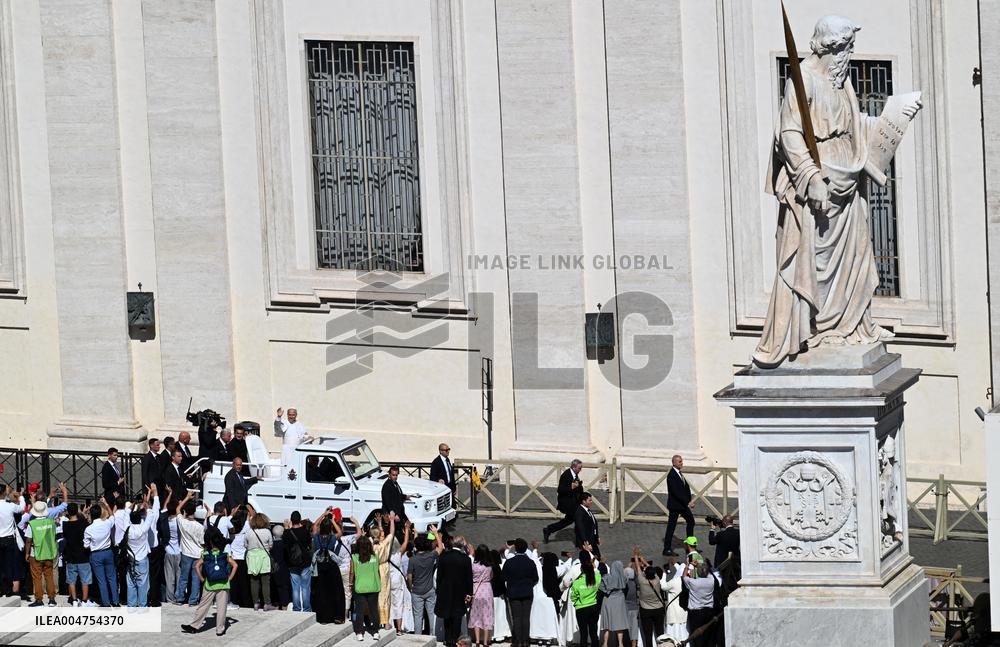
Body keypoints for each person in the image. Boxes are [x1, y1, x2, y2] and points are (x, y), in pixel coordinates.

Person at [181, 531, 237, 636]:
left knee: (203, 605)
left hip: (209, 584)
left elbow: (196, 566)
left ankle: (194, 626)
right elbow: (235, 565)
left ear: (210, 543)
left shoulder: (206, 554)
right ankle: (220, 629)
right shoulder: (225, 555)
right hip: (223, 584)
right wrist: (229, 578)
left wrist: (202, 578)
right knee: (221, 607)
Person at [124, 484, 160, 607]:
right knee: (143, 584)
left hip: (131, 559)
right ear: (140, 519)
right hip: (142, 559)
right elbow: (151, 515)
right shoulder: (143, 529)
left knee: (131, 584)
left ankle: (131, 606)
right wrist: (147, 504)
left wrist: (134, 504)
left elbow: (126, 514)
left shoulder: (127, 529)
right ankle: (143, 606)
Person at [435, 535, 474, 647]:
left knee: (447, 616)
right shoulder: (465, 559)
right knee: (457, 616)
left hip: (445, 590)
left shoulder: (444, 557)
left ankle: (448, 639)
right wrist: (469, 593)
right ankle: (455, 639)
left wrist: (439, 590)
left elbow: (439, 576)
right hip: (459, 591)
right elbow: (468, 578)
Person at [501, 538, 538, 647]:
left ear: (515, 548)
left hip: (513, 592)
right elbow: (535, 578)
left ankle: (517, 641)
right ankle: (526, 641)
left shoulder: (509, 562)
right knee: (526, 617)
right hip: (527, 592)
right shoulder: (530, 562)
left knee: (516, 617)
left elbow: (503, 577)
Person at [310, 510, 345, 623]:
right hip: (331, 565)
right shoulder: (332, 538)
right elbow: (340, 532)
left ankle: (323, 617)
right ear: (330, 527)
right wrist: (332, 520)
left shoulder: (316, 537)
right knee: (335, 591)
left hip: (320, 565)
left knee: (321, 591)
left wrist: (323, 515)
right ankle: (336, 616)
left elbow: (314, 525)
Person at [24, 499, 59, 607]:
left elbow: (29, 540)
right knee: (49, 576)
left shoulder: (32, 524)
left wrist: (27, 553)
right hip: (49, 552)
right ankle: (52, 599)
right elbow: (54, 535)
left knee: (37, 577)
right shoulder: (51, 522)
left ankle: (39, 600)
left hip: (36, 554)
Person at [409, 526, 443, 634]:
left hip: (416, 590)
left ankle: (418, 637)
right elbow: (440, 548)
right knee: (431, 614)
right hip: (429, 589)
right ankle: (433, 635)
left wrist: (411, 587)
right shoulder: (431, 556)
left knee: (418, 616)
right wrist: (436, 533)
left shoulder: (413, 559)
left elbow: (409, 575)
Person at [84, 499, 117, 606]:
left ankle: (106, 603)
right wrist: (107, 504)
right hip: (108, 552)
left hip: (96, 554)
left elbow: (86, 545)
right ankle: (115, 601)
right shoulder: (107, 523)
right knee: (112, 578)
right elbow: (112, 516)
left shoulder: (89, 529)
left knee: (101, 580)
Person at [175, 492, 205, 606]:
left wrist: (186, 497)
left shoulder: (182, 522)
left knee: (183, 577)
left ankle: (180, 598)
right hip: (198, 554)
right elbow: (202, 543)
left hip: (186, 553)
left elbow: (177, 508)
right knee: (196, 579)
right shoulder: (200, 527)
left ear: (185, 512)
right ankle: (193, 600)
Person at [543, 459, 583, 543]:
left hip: (574, 503)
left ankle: (548, 529)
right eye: (579, 468)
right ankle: (579, 541)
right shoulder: (566, 475)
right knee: (578, 520)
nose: (580, 470)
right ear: (574, 467)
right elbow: (560, 490)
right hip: (568, 504)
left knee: (568, 521)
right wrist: (571, 487)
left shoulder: (575, 475)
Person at [61, 502, 92, 607]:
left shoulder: (65, 525)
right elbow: (83, 518)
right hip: (83, 555)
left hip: (70, 555)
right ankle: (84, 600)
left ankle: (74, 600)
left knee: (71, 580)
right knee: (85, 580)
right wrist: (80, 511)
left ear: (67, 512)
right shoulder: (83, 524)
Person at [663, 455, 694, 556]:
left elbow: (685, 488)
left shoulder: (679, 473)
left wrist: (689, 500)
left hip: (682, 505)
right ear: (674, 463)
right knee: (671, 527)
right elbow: (677, 492)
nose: (682, 463)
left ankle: (690, 547)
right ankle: (667, 549)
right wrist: (688, 502)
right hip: (676, 505)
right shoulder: (672, 475)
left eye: (682, 461)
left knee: (691, 521)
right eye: (680, 462)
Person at [681, 561, 717, 647]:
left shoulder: (693, 583)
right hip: (709, 611)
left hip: (696, 613)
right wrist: (699, 566)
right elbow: (709, 573)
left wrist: (688, 566)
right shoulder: (711, 581)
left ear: (698, 573)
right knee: (709, 635)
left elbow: (683, 576)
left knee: (696, 637)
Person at [245, 510, 276, 611]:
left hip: (252, 557)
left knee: (254, 581)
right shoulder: (267, 532)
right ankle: (267, 603)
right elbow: (271, 545)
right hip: (264, 556)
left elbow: (245, 545)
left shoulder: (249, 532)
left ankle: (255, 603)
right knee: (265, 582)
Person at [283, 511, 312, 612]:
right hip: (305, 562)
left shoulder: (286, 533)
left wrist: (286, 528)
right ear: (300, 520)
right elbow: (309, 544)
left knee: (295, 587)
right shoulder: (305, 531)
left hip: (292, 563)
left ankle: (296, 608)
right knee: (305, 587)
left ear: (291, 520)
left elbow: (284, 545)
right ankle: (306, 608)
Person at [0, 485, 25, 599]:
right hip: (9, 539)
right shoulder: (9, 506)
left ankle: (1, 588)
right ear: (5, 493)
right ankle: (8, 589)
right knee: (9, 564)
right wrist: (21, 496)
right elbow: (21, 508)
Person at [571, 554, 601, 647]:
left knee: (583, 634)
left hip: (581, 609)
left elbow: (573, 597)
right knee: (593, 632)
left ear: (581, 570)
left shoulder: (576, 583)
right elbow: (597, 571)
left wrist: (577, 603)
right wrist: (593, 564)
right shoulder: (596, 579)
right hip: (593, 607)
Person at [469, 544, 495, 647]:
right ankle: (485, 641)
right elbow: (491, 577)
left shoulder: (473, 566)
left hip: (476, 590)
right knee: (487, 615)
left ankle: (477, 641)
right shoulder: (489, 566)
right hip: (487, 590)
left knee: (476, 615)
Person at [600, 561, 630, 647]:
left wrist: (608, 590)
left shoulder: (606, 577)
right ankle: (620, 643)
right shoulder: (624, 578)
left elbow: (601, 588)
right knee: (619, 623)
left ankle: (605, 643)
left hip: (608, 600)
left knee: (607, 623)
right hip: (619, 601)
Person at [275, 407, 312, 474]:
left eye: (293, 414)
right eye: (290, 414)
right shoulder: (284, 423)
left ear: (296, 415)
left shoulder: (300, 424)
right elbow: (277, 428)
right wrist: (278, 417)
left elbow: (303, 436)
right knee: (286, 468)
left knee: (297, 468)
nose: (291, 416)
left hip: (297, 450)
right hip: (287, 451)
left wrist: (309, 437)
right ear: (287, 415)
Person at [574, 492, 600, 557]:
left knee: (597, 556)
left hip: (592, 539)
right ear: (584, 501)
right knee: (592, 558)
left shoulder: (587, 510)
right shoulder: (579, 512)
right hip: (587, 541)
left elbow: (593, 523)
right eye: (589, 500)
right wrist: (586, 543)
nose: (591, 502)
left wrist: (597, 536)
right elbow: (580, 528)